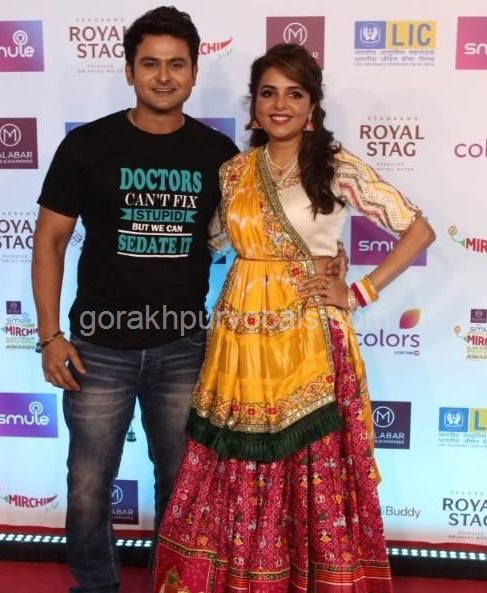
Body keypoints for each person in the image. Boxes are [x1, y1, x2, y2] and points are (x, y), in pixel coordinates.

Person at [33, 7, 346, 592]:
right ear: (129, 71)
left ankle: (171, 584)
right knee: (87, 487)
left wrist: (331, 259)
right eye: (150, 63)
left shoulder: (219, 156)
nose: (163, 76)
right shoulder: (86, 146)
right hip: (98, 347)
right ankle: (95, 586)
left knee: (183, 488)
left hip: (185, 347)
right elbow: (49, 240)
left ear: (195, 73)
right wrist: (49, 336)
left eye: (176, 64)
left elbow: (273, 226)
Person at [152, 44, 436, 593]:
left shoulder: (335, 165)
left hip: (307, 338)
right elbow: (214, 241)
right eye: (268, 93)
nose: (280, 105)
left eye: (294, 93)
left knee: (307, 463)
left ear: (312, 105)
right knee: (233, 463)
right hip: (239, 340)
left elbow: (417, 230)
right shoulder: (235, 172)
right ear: (254, 104)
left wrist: (358, 290)